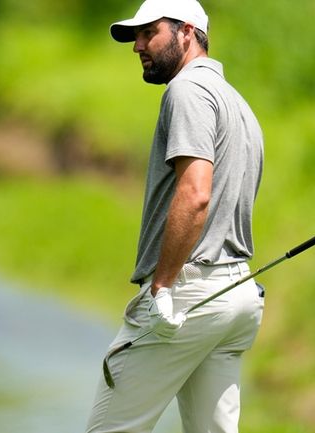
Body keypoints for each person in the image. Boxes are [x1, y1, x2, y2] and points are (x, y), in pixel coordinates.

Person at [85, 1, 265, 432]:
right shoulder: (236, 101)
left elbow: (196, 193)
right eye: (137, 37)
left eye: (150, 33)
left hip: (188, 297)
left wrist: (162, 286)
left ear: (187, 31)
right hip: (236, 295)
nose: (138, 46)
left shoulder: (186, 91)